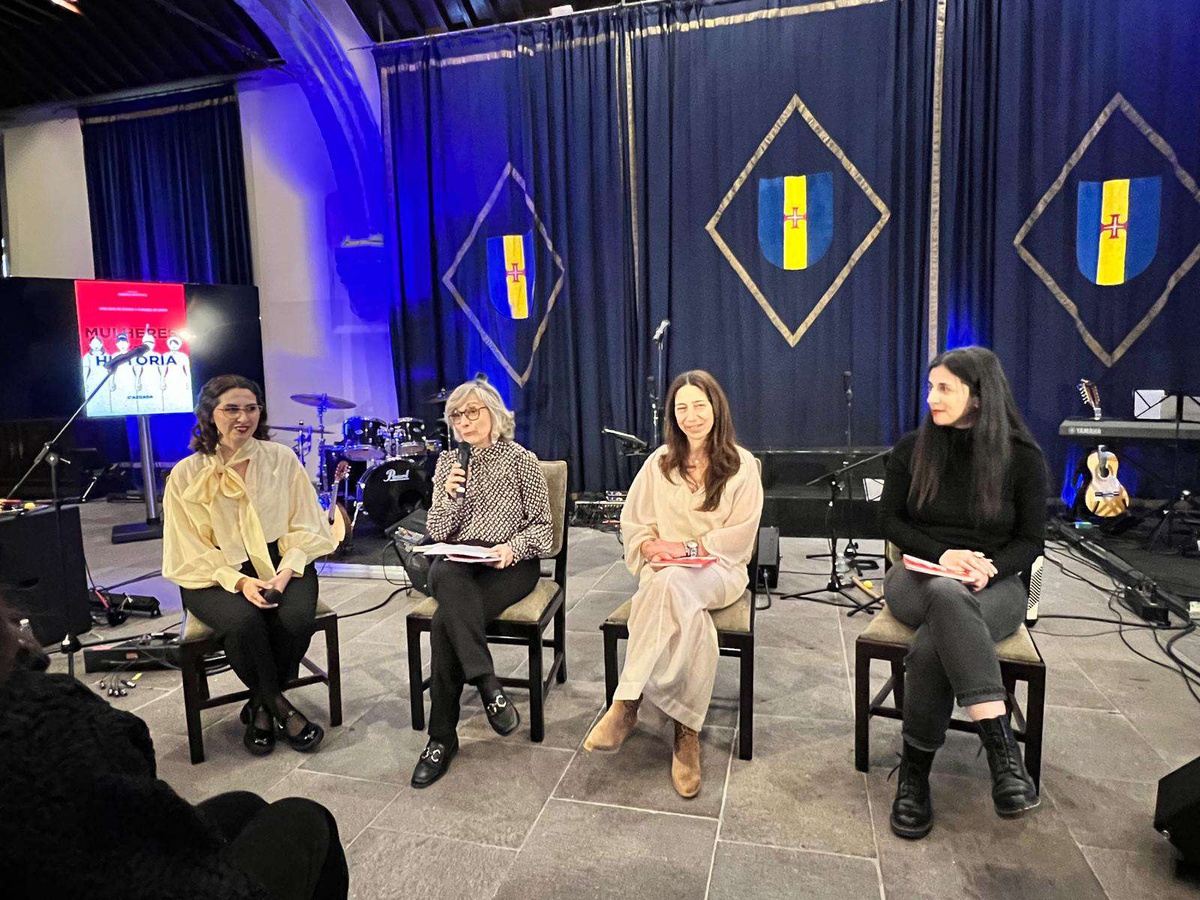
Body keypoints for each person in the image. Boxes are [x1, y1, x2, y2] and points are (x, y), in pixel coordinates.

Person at [0, 599, 349, 900]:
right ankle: (275, 705)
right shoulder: (42, 714)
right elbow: (132, 769)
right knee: (307, 816)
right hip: (132, 879)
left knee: (245, 805)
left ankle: (264, 705)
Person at [878, 346, 1046, 839]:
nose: (931, 397)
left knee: (935, 640)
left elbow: (1031, 543)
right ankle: (1002, 753)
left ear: (979, 396)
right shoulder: (914, 448)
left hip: (993, 585)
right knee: (946, 597)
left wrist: (988, 569)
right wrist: (944, 554)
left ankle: (913, 775)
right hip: (917, 577)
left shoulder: (1022, 457)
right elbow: (889, 520)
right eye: (931, 387)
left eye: (944, 388)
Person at [583, 370, 763, 798]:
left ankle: (627, 703)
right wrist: (648, 548)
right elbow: (635, 522)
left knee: (670, 587)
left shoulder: (741, 465)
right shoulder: (658, 463)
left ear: (716, 407)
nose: (691, 415)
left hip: (719, 571)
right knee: (676, 599)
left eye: (699, 405)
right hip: (664, 572)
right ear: (672, 415)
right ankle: (686, 731)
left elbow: (740, 538)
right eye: (681, 407)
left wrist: (681, 550)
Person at [163, 375, 336, 757]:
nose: (243, 417)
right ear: (209, 414)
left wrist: (286, 570)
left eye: (251, 408)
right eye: (232, 409)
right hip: (212, 571)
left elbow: (305, 525)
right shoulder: (187, 474)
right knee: (244, 624)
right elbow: (189, 548)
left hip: (283, 560)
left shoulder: (280, 459)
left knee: (294, 619)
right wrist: (240, 583)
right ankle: (279, 706)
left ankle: (260, 704)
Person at [410, 378, 553, 788]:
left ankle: (440, 739)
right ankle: (489, 686)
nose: (464, 420)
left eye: (473, 411)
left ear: (493, 413)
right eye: (457, 414)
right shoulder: (447, 464)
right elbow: (437, 530)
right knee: (445, 575)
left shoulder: (521, 459)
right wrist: (449, 495)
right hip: (461, 560)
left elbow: (545, 530)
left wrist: (512, 548)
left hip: (510, 562)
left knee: (443, 623)